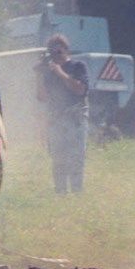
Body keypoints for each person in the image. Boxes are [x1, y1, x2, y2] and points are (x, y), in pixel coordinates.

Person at [36, 33, 89, 194]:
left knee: (76, 159)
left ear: (66, 50)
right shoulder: (48, 72)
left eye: (59, 52)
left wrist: (61, 73)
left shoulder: (78, 66)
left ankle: (77, 192)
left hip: (75, 119)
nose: (56, 56)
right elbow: (41, 97)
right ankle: (61, 193)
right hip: (56, 119)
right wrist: (39, 74)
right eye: (53, 52)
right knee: (58, 159)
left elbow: (80, 89)